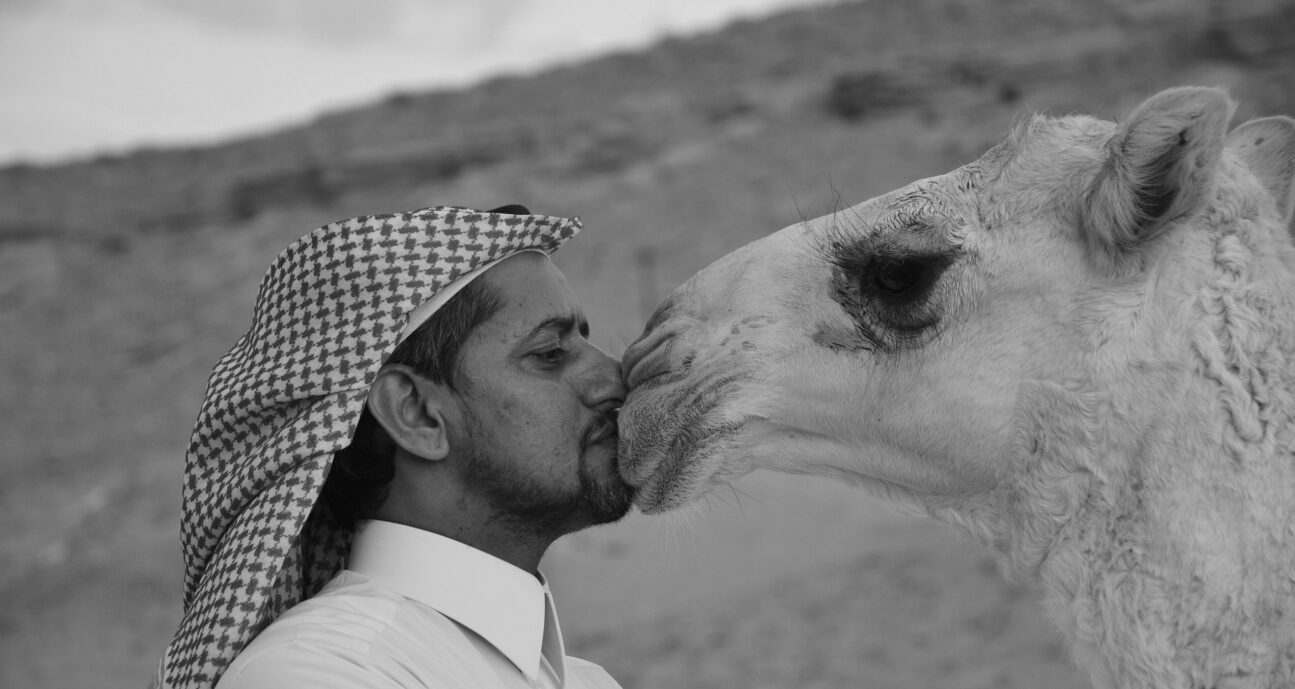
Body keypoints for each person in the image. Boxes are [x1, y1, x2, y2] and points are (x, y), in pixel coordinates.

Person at [153, 205, 633, 689]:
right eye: (550, 354)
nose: (614, 378)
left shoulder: (587, 682)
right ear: (415, 413)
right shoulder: (321, 671)